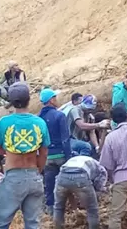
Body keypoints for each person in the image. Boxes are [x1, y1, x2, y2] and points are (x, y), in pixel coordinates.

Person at [0, 82, 50, 229]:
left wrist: (12, 151)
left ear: (11, 102)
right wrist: (38, 170)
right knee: (33, 224)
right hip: (33, 176)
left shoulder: (5, 122)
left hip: (13, 177)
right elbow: (44, 153)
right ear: (29, 99)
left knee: (0, 224)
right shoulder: (39, 122)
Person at [99, 103, 127, 229]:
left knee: (115, 216)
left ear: (114, 120)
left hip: (120, 179)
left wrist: (112, 180)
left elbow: (106, 165)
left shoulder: (110, 138)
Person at [38, 87, 71, 216]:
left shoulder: (39, 118)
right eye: (55, 98)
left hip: (47, 157)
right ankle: (67, 210)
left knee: (49, 184)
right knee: (65, 184)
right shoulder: (59, 115)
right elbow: (65, 139)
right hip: (61, 155)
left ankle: (51, 210)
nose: (57, 100)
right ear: (51, 100)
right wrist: (69, 157)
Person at [53, 155, 108, 229]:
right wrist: (96, 197)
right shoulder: (101, 168)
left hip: (62, 176)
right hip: (80, 176)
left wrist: (75, 207)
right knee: (92, 209)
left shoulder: (75, 160)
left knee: (58, 208)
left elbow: (68, 189)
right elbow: (99, 186)